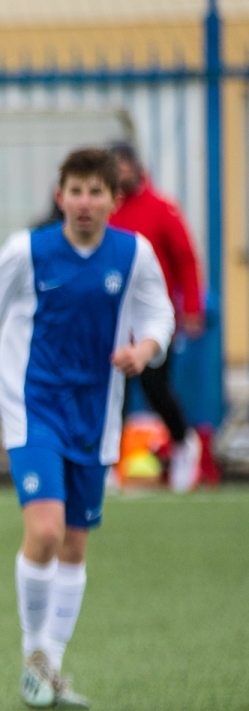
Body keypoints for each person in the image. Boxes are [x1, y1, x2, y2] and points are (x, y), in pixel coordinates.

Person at [0, 146, 172, 711]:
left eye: (95, 192)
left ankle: (49, 662)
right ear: (60, 197)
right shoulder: (28, 251)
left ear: (114, 200)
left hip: (94, 414)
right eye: (75, 191)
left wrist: (144, 349)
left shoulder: (133, 253)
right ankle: (33, 653)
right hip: (33, 408)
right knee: (46, 530)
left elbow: (159, 312)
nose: (84, 202)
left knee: (75, 544)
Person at [109, 142, 206, 493]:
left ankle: (183, 443)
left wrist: (192, 307)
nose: (121, 171)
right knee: (112, 392)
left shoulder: (162, 209)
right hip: (113, 319)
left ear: (137, 166)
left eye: (125, 163)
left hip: (152, 319)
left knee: (154, 387)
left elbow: (185, 258)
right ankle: (108, 461)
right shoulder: (105, 211)